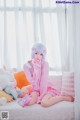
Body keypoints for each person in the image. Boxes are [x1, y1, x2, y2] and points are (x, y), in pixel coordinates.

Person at [18, 43, 74, 107]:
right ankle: (26, 98)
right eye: (36, 53)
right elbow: (30, 80)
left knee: (44, 103)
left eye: (41, 54)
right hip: (35, 89)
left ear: (43, 55)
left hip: (47, 89)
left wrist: (42, 95)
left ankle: (63, 97)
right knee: (31, 102)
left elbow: (43, 81)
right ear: (33, 53)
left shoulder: (45, 64)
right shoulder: (27, 66)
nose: (38, 56)